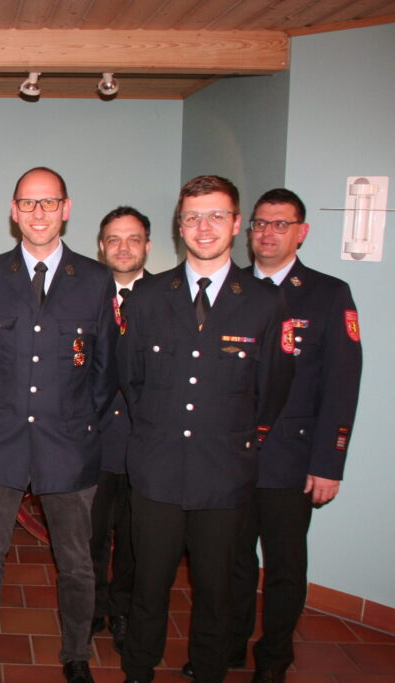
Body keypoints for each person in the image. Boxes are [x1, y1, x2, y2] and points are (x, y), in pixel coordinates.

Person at [118, 176, 295, 683]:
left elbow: (272, 389)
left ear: (236, 224)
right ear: (180, 225)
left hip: (224, 473)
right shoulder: (149, 296)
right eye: (193, 216)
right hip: (156, 469)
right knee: (148, 588)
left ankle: (210, 671)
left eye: (216, 215)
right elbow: (130, 378)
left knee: (218, 593)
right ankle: (138, 670)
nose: (204, 227)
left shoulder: (263, 302)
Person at [0, 167, 118, 683]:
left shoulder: (95, 279)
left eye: (48, 203)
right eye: (28, 203)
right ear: (14, 210)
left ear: (66, 209)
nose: (38, 213)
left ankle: (76, 654)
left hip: (68, 443)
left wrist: (76, 418)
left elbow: (105, 368)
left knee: (77, 561)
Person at [221, 188, 361, 683]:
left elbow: (342, 385)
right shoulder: (230, 288)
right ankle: (230, 645)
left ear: (301, 232)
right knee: (232, 561)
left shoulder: (328, 294)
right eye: (261, 223)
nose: (268, 233)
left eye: (281, 224)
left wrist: (329, 463)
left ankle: (274, 658)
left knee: (283, 567)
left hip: (291, 459)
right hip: (231, 457)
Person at [89, 206, 151, 653]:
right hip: (90, 438)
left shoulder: (167, 296)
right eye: (114, 239)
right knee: (89, 534)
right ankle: (92, 604)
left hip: (142, 440)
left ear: (148, 245)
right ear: (101, 246)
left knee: (134, 537)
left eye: (133, 239)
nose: (123, 248)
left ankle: (124, 606)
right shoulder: (85, 294)